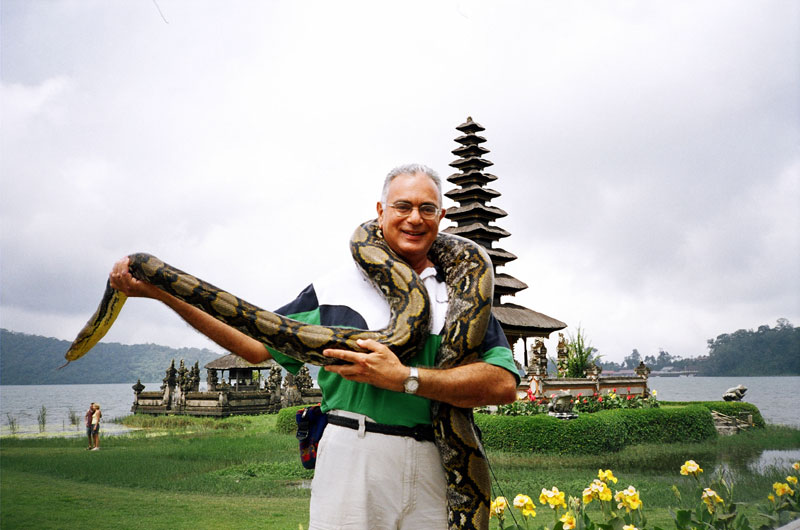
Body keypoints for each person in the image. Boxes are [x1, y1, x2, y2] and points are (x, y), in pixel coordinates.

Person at [109, 164, 519, 529]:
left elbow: (501, 386)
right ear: (380, 213)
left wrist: (405, 378)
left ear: (441, 217)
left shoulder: (466, 295)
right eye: (402, 206)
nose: (415, 218)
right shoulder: (333, 288)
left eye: (427, 208)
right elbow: (255, 345)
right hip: (354, 457)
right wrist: (164, 294)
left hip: (436, 460)